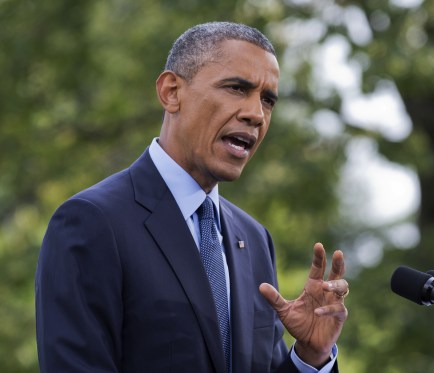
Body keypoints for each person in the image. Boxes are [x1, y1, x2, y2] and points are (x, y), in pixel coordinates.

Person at [35, 21, 349, 373]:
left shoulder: (255, 239)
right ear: (171, 92)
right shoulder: (92, 221)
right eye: (236, 88)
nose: (255, 114)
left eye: (267, 100)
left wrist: (312, 356)